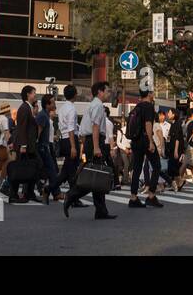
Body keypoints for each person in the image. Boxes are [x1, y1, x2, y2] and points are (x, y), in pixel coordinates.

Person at [64, 81, 116, 220]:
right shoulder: (98, 106)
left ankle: (101, 211)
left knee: (96, 175)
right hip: (95, 141)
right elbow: (95, 127)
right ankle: (72, 195)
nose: (109, 93)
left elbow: (83, 130)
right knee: (94, 175)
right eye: (107, 91)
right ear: (100, 91)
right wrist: (97, 147)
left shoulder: (93, 105)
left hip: (90, 141)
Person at [127, 89, 162, 208]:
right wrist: (150, 142)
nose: (153, 95)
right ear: (149, 94)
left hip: (135, 141)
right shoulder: (148, 106)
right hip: (145, 140)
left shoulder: (137, 107)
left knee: (137, 168)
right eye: (152, 93)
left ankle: (133, 197)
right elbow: (148, 124)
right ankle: (151, 195)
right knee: (157, 166)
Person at [8, 86, 41, 204]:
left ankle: (28, 193)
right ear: (28, 94)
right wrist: (23, 145)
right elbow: (21, 128)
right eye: (34, 93)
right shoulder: (24, 108)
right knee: (21, 170)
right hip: (25, 146)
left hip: (29, 145)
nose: (35, 95)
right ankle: (14, 194)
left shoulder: (28, 108)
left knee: (31, 168)